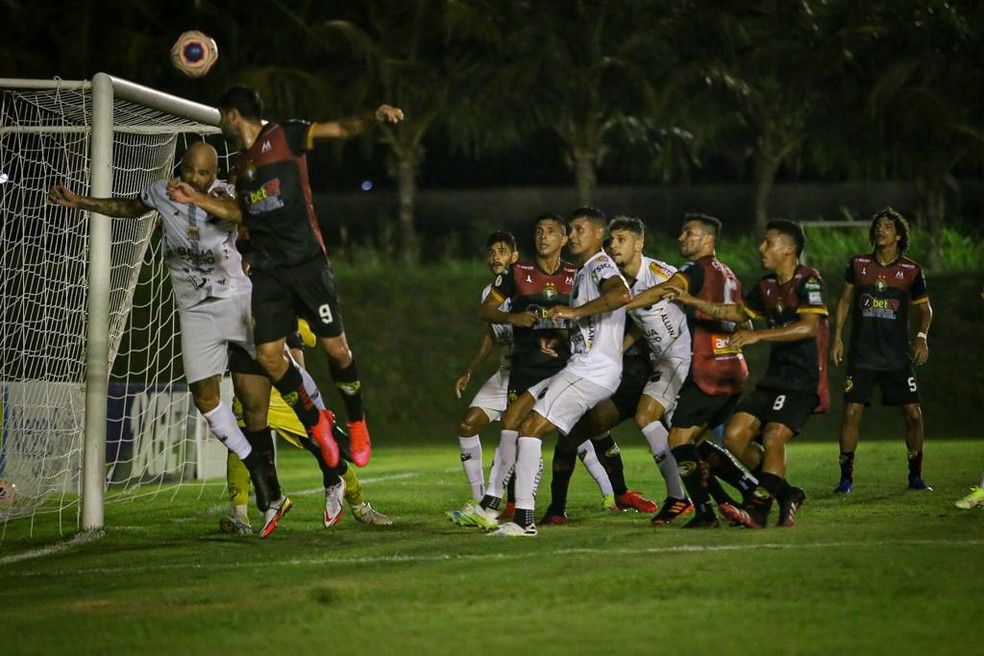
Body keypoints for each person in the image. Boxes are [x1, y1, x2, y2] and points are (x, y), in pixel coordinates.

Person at [48, 142, 290, 538]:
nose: (195, 178)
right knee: (206, 400)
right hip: (194, 311)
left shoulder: (226, 196)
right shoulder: (162, 191)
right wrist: (81, 202)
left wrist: (199, 196)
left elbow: (237, 215)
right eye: (190, 171)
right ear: (182, 167)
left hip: (236, 301)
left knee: (266, 393)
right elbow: (130, 207)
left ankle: (330, 460)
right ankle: (268, 486)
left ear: (214, 174)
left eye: (204, 174)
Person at [171, 84, 404, 473]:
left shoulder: (284, 135)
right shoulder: (241, 167)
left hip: (307, 264)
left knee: (337, 351)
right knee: (268, 356)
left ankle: (357, 424)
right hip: (268, 272)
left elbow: (339, 129)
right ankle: (317, 425)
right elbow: (245, 219)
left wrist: (373, 117)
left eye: (220, 116)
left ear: (231, 115)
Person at [468, 207, 632, 537]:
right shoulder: (585, 272)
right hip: (580, 364)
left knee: (530, 429)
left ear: (598, 234)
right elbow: (589, 322)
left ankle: (520, 519)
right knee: (519, 420)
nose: (574, 234)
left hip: (593, 369)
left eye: (580, 229)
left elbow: (621, 294)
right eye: (573, 228)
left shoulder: (599, 264)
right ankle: (500, 507)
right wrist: (560, 335)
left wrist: (573, 311)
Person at [666, 219, 829, 528]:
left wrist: (759, 336)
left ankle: (757, 510)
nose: (761, 247)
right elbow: (738, 313)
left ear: (789, 249)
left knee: (772, 436)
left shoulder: (809, 281)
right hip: (774, 379)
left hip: (802, 381)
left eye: (769, 242)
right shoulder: (767, 286)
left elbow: (809, 327)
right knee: (735, 436)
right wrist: (692, 301)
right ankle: (786, 493)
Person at [626, 214, 753, 528]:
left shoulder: (687, 270)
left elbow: (666, 290)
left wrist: (616, 305)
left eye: (689, 233)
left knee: (677, 437)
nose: (681, 238)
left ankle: (707, 505)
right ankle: (742, 493)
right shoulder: (727, 274)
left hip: (693, 362)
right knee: (685, 441)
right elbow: (745, 320)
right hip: (722, 365)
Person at [223, 320, 392, 534]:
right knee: (240, 446)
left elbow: (306, 338)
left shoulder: (278, 307)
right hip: (251, 389)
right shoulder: (238, 302)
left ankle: (359, 506)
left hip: (283, 394)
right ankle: (240, 516)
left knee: (324, 449)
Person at [830, 207, 934, 493]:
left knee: (913, 413)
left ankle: (915, 476)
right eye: (878, 225)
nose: (880, 229)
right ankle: (846, 478)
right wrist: (837, 337)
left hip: (896, 357)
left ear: (899, 235)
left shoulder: (911, 270)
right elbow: (844, 302)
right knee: (851, 412)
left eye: (888, 226)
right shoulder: (858, 264)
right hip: (862, 355)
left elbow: (925, 309)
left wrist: (922, 336)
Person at [451, 231, 520, 503]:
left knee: (577, 435)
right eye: (492, 252)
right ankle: (480, 499)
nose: (495, 256)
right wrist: (469, 370)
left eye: (502, 251)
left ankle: (612, 493)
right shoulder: (488, 294)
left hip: (531, 375)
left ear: (515, 256)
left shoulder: (527, 287)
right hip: (506, 374)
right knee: (467, 426)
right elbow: (492, 336)